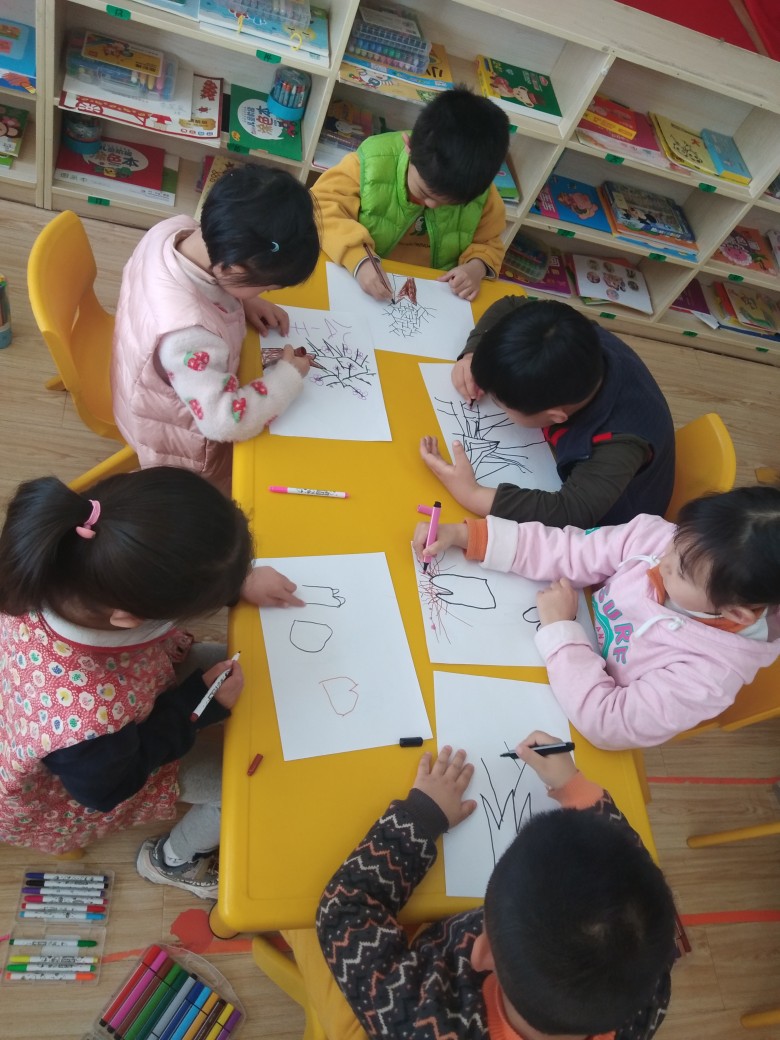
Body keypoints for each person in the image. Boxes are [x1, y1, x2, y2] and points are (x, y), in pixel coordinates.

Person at [0, 468, 304, 898]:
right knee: (252, 785)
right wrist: (193, 708)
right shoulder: (85, 724)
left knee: (258, 668)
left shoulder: (79, 557)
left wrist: (238, 581)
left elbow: (165, 566)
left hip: (126, 687)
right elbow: (109, 788)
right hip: (102, 767)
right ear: (131, 618)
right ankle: (172, 859)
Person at [282, 738, 675, 1040]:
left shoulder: (422, 1016)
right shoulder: (646, 995)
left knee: (292, 902)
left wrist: (422, 816)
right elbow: (636, 885)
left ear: (481, 950)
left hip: (386, 1014)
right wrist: (576, 789)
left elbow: (343, 908)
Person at [413, 486, 780, 749]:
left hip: (562, 705)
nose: (662, 559)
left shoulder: (709, 677)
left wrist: (562, 630)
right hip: (545, 651)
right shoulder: (661, 541)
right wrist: (470, 535)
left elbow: (609, 723)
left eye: (680, 570)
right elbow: (570, 550)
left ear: (735, 613)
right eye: (677, 539)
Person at [111, 164, 321, 492]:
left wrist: (245, 299)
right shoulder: (190, 337)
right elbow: (225, 422)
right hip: (174, 442)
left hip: (135, 376)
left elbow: (214, 278)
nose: (266, 293)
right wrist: (288, 377)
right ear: (232, 267)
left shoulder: (175, 230)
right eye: (266, 286)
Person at [421, 297, 675, 528]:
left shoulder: (617, 446)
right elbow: (511, 305)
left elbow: (571, 512)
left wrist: (472, 494)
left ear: (555, 417)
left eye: (500, 404)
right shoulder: (566, 332)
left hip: (615, 524)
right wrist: (473, 356)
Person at [311, 87, 510, 303]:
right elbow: (319, 207)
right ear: (409, 147)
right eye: (424, 193)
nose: (431, 205)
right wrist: (358, 260)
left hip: (433, 295)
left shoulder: (479, 193)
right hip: (361, 281)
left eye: (449, 203)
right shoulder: (370, 164)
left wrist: (476, 267)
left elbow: (489, 242)